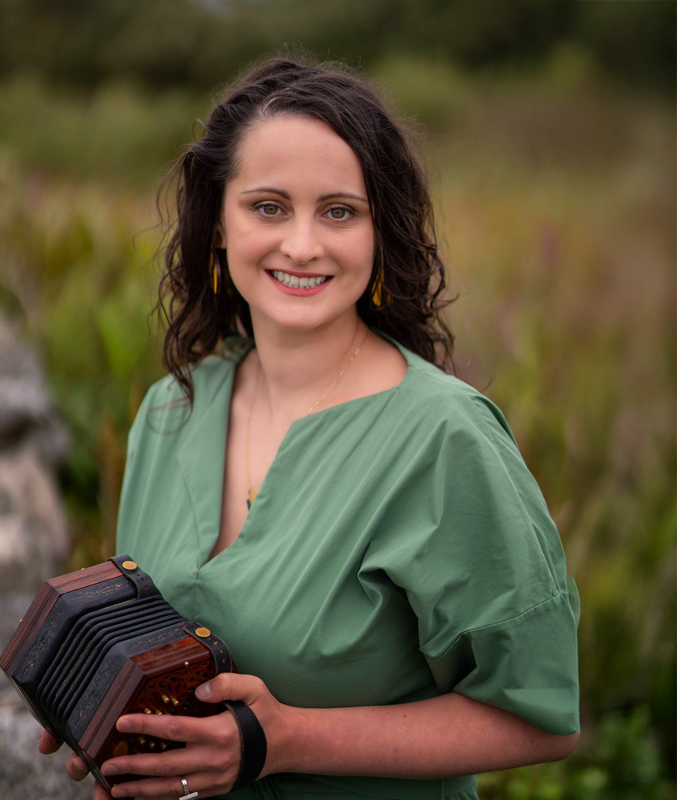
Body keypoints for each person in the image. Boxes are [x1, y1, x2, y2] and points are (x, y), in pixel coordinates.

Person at [40, 55, 580, 800]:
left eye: (339, 211)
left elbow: (540, 719)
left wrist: (281, 741)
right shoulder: (170, 411)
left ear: (381, 231)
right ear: (218, 222)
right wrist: (109, 718)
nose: (301, 245)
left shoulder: (443, 438)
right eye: (268, 207)